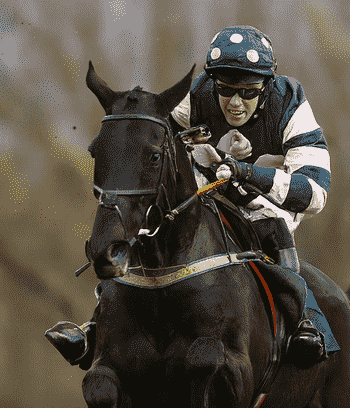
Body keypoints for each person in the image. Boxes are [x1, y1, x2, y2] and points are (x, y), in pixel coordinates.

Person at [46, 25, 330, 368]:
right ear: (213, 82)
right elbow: (155, 143)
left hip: (269, 199)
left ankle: (306, 322)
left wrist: (246, 172)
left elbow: (314, 194)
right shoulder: (198, 94)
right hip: (210, 190)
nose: (235, 103)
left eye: (248, 92)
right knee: (152, 225)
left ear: (267, 86)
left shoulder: (290, 102)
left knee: (272, 225)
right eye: (225, 90)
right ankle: (97, 325)